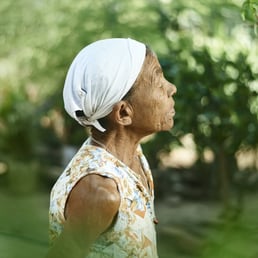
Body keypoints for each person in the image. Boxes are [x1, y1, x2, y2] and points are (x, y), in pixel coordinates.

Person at [46, 38, 176, 258]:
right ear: (123, 113)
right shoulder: (99, 191)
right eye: (158, 80)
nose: (172, 88)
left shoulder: (130, 157)